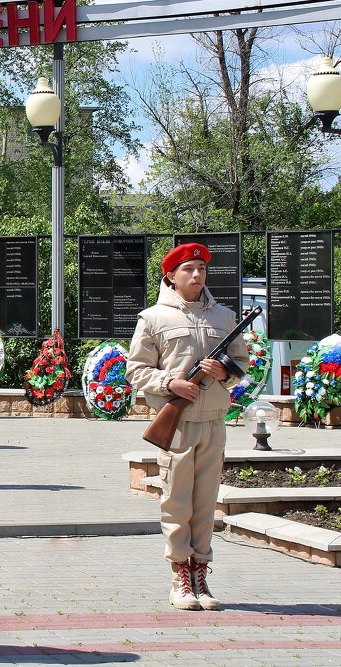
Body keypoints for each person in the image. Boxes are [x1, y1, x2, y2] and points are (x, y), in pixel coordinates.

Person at [126, 242, 246, 612]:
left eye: (202, 269)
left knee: (206, 503)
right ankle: (180, 576)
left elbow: (241, 362)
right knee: (176, 501)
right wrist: (170, 384)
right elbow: (136, 370)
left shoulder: (225, 317)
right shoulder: (153, 318)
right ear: (171, 277)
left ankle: (201, 574)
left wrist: (224, 371)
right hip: (177, 423)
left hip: (213, 421)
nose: (197, 275)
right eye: (189, 270)